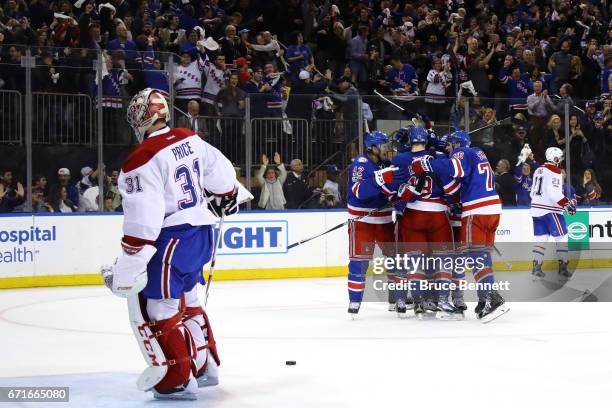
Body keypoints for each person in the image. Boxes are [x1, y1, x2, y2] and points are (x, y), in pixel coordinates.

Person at [101, 88, 241, 401]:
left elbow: (142, 226)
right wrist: (227, 195)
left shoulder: (140, 160)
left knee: (159, 307)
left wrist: (125, 273)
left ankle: (177, 379)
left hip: (172, 240)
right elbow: (224, 177)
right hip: (202, 234)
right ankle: (205, 366)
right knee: (189, 297)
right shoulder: (188, 137)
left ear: (139, 118)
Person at [412, 130, 508, 322]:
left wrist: (428, 163)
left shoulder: (462, 152)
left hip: (477, 210)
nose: (448, 149)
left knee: (476, 258)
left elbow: (454, 168)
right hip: (493, 209)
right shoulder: (478, 153)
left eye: (450, 145)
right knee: (483, 256)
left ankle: (491, 298)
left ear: (457, 144)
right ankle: (483, 300)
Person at [391, 127, 461, 319]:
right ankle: (444, 300)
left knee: (415, 260)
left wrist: (398, 204)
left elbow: (393, 190)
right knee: (443, 259)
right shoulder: (439, 157)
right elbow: (451, 189)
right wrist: (454, 203)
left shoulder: (399, 159)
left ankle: (418, 299)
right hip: (438, 214)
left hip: (413, 214)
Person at [345, 131, 409, 316]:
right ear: (372, 148)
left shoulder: (386, 164)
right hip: (362, 220)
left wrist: (400, 201)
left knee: (396, 259)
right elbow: (359, 192)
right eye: (383, 145)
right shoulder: (360, 164)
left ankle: (398, 299)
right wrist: (379, 179)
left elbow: (393, 192)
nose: (387, 149)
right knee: (359, 262)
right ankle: (354, 302)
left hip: (384, 219)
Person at [530, 147, 576, 279]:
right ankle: (563, 267)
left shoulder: (539, 169)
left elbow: (532, 191)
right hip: (550, 210)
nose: (560, 160)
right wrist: (567, 204)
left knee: (541, 239)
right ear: (555, 158)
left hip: (536, 209)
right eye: (559, 158)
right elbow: (554, 193)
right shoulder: (554, 170)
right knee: (562, 237)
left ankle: (536, 267)